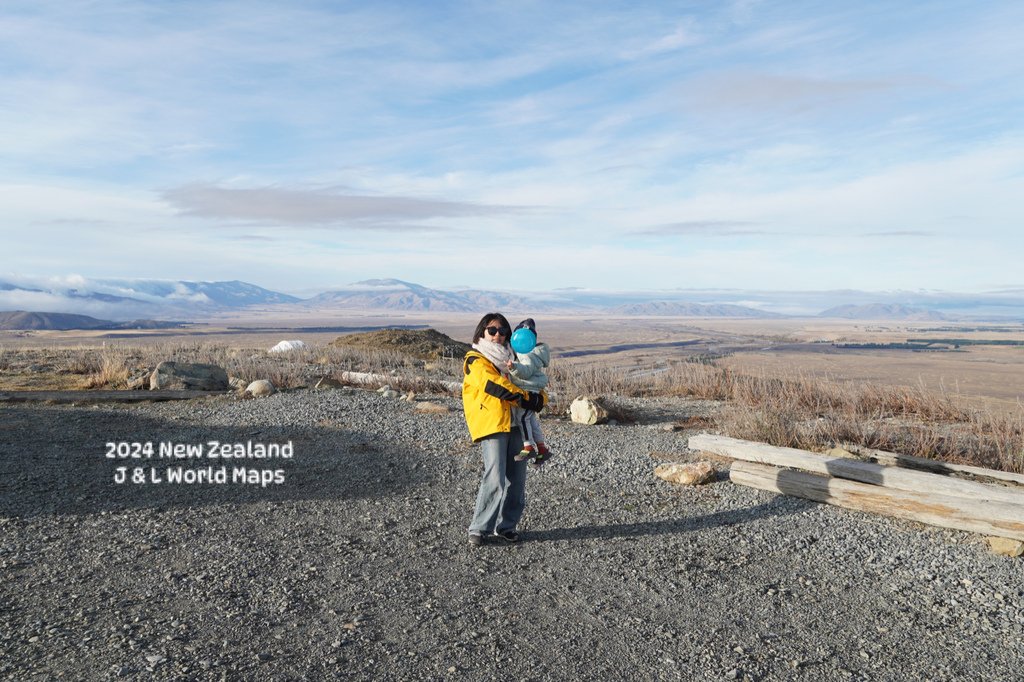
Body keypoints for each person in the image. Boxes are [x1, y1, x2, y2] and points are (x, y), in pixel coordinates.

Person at [462, 313, 545, 546]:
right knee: (495, 476)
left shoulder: (515, 359)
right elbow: (496, 386)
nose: (498, 335)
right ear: (482, 332)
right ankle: (479, 528)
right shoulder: (475, 360)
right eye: (492, 330)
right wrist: (529, 399)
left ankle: (507, 526)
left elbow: (532, 382)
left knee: (516, 481)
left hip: (517, 423)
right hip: (493, 424)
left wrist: (539, 399)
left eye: (504, 331)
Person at [506, 318, 553, 467]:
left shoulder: (526, 354)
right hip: (531, 388)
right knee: (531, 421)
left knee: (522, 418)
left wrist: (513, 368)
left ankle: (528, 447)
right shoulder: (534, 352)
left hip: (528, 390)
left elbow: (525, 372)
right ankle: (541, 448)